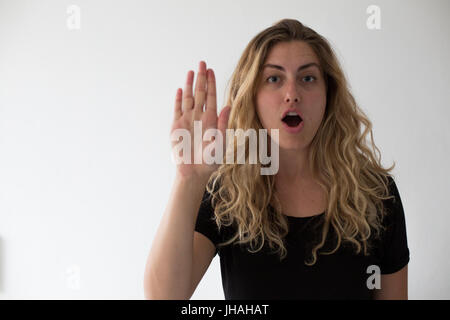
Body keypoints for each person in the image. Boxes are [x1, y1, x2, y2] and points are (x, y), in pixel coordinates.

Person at [144, 18, 410, 300]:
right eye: (274, 78)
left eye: (308, 78)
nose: (292, 94)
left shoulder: (376, 195)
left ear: (328, 94)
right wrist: (188, 179)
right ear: (252, 96)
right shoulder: (226, 195)